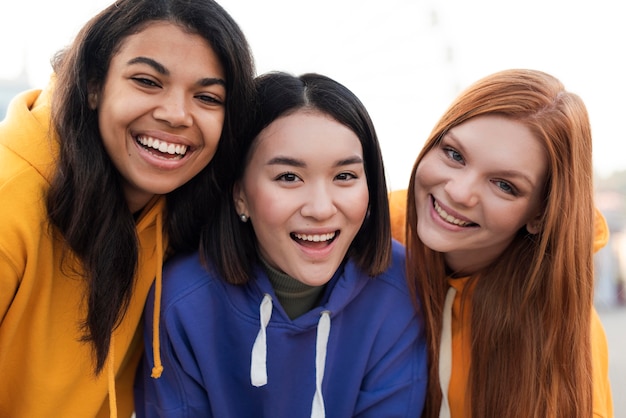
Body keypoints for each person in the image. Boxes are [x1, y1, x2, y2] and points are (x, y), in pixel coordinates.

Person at [0, 0, 255, 416]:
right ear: (93, 84)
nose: (176, 115)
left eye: (207, 96)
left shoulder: (188, 207)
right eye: (147, 81)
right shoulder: (8, 201)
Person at [135, 72, 428, 417]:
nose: (320, 209)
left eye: (344, 176)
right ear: (240, 194)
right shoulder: (182, 302)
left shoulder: (401, 289)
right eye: (289, 177)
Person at [392, 69, 613, 417]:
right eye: (454, 154)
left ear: (540, 215)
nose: (459, 192)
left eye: (504, 185)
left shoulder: (564, 327)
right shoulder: (362, 240)